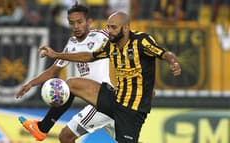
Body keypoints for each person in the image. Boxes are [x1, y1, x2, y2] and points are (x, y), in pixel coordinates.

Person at [38, 11, 181, 143]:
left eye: (113, 27)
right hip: (114, 99)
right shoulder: (111, 45)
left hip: (132, 111)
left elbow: (163, 53)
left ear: (125, 28)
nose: (109, 31)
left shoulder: (141, 41)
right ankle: (43, 126)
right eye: (108, 27)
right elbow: (89, 56)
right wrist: (56, 54)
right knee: (71, 85)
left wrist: (172, 62)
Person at [16, 3, 115, 143]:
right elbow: (52, 71)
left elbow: (128, 44)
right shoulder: (72, 44)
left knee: (71, 84)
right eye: (72, 23)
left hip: (107, 98)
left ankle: (43, 127)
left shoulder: (101, 36)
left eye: (80, 22)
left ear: (90, 22)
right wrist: (30, 84)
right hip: (95, 101)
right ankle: (42, 128)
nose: (76, 26)